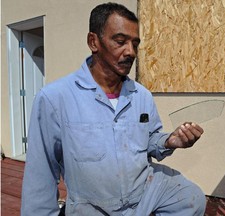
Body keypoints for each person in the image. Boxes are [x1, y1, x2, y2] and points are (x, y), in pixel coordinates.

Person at [21, 2, 206, 216]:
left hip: (142, 192)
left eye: (135, 44)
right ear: (94, 41)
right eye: (120, 41)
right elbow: (40, 175)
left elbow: (150, 140)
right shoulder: (55, 98)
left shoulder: (141, 95)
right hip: (92, 206)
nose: (131, 52)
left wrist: (168, 141)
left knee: (191, 199)